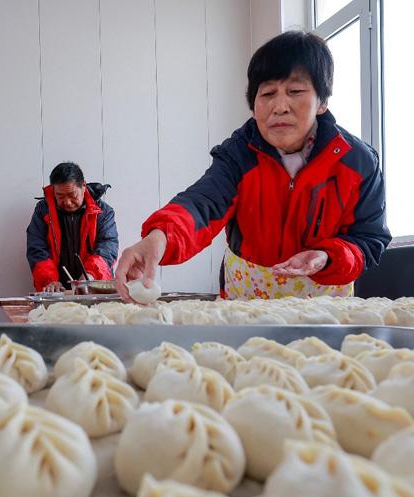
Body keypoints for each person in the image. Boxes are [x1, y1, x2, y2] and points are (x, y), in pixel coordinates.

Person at [115, 31, 391, 302]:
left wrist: (328, 257)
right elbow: (203, 204)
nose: (279, 106)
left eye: (295, 91)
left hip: (325, 305)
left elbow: (368, 238)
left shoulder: (358, 162)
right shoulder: (239, 154)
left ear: (322, 102)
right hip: (246, 298)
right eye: (267, 93)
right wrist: (160, 237)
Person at [26, 162, 119, 292]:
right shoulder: (43, 210)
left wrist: (91, 275)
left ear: (83, 186)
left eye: (72, 195)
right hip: (56, 289)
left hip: (94, 285)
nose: (68, 202)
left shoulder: (103, 211)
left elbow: (108, 246)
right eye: (60, 196)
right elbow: (36, 247)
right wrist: (49, 280)